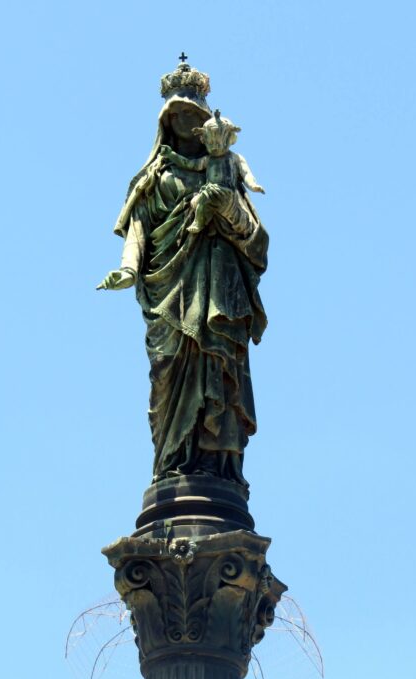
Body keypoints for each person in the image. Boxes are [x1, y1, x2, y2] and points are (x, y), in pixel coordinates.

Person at [97, 63, 268, 486]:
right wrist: (128, 269)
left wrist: (226, 202)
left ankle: (219, 468)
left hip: (219, 294)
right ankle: (173, 463)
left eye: (194, 115)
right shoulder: (154, 180)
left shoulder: (225, 171)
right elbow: (137, 231)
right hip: (167, 296)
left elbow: (256, 239)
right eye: (178, 117)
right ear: (168, 124)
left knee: (220, 370)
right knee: (167, 375)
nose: (187, 123)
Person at [159, 109, 265, 235]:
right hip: (211, 192)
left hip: (226, 193)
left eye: (219, 142)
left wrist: (253, 186)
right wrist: (171, 155)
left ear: (230, 138)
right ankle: (214, 226)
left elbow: (246, 174)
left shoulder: (235, 158)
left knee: (207, 197)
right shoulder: (208, 160)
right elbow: (190, 164)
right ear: (204, 140)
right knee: (195, 202)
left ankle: (199, 222)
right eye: (211, 143)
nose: (215, 147)